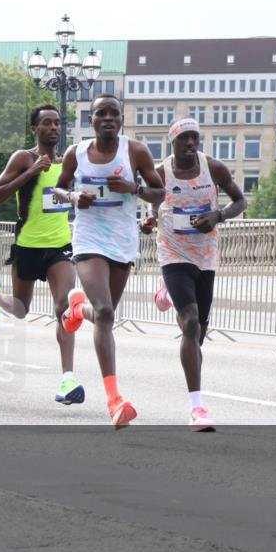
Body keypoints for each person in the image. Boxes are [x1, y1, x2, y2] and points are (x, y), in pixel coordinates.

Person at [53, 95, 165, 429]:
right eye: (100, 114)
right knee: (104, 312)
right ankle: (114, 399)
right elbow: (58, 189)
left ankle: (76, 310)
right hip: (88, 240)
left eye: (113, 114)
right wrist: (74, 197)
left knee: (104, 315)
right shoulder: (77, 153)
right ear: (93, 120)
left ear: (121, 119)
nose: (107, 119)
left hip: (123, 241)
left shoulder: (136, 151)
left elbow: (160, 193)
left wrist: (135, 187)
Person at [141, 117, 246, 431]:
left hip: (206, 255)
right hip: (173, 254)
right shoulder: (162, 172)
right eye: (184, 139)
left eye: (194, 139)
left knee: (199, 333)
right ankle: (197, 408)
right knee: (188, 323)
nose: (190, 144)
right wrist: (148, 219)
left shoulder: (214, 168)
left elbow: (239, 200)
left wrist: (218, 214)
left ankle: (167, 295)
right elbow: (153, 202)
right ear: (172, 142)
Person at [0, 105, 79, 404]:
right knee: (22, 309)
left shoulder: (69, 162)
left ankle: (67, 379)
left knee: (64, 306)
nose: (53, 127)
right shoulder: (23, 158)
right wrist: (30, 172)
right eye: (46, 123)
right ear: (35, 129)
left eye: (57, 123)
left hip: (60, 246)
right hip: (27, 246)